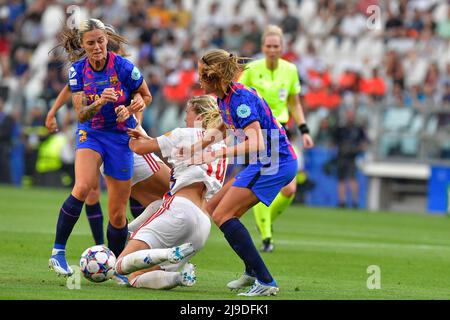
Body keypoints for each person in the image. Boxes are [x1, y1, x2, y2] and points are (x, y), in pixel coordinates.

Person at [179, 48, 299, 296]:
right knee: (214, 209)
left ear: (215, 77)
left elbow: (257, 143)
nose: (198, 79)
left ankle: (266, 281)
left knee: (224, 214)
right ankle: (252, 270)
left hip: (273, 163)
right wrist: (196, 147)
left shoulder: (240, 100)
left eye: (202, 74)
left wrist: (215, 153)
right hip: (264, 162)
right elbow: (224, 126)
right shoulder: (227, 97)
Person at [44, 26, 170, 248]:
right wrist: (53, 111)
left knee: (156, 193)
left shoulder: (124, 69)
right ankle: (111, 247)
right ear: (84, 44)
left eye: (101, 41)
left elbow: (142, 100)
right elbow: (71, 91)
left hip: (130, 139)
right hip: (105, 138)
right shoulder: (85, 71)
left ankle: (131, 243)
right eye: (91, 43)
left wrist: (132, 114)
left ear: (109, 41)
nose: (98, 47)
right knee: (101, 194)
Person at [114, 95, 227, 290]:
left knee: (121, 264)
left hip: (180, 209)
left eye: (187, 112)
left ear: (199, 115)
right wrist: (144, 136)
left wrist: (127, 132)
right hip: (202, 225)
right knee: (136, 276)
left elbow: (139, 148)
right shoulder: (220, 144)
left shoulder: (183, 133)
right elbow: (170, 151)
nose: (184, 118)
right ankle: (178, 277)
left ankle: (169, 253)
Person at [238, 25, 314, 252]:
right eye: (268, 46)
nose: (272, 50)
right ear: (263, 47)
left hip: (283, 131)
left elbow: (294, 103)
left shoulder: (290, 70)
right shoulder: (252, 69)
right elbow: (238, 94)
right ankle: (267, 237)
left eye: (276, 46)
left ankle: (265, 222)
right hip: (261, 132)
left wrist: (305, 129)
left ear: (282, 48)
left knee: (289, 190)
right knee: (268, 185)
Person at [333, 110, 368, 208]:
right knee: (341, 180)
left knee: (353, 179)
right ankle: (342, 201)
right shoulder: (341, 129)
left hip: (352, 157)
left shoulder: (358, 129)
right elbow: (334, 141)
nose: (350, 117)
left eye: (351, 115)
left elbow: (364, 142)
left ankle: (355, 202)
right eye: (348, 115)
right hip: (341, 156)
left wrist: (357, 148)